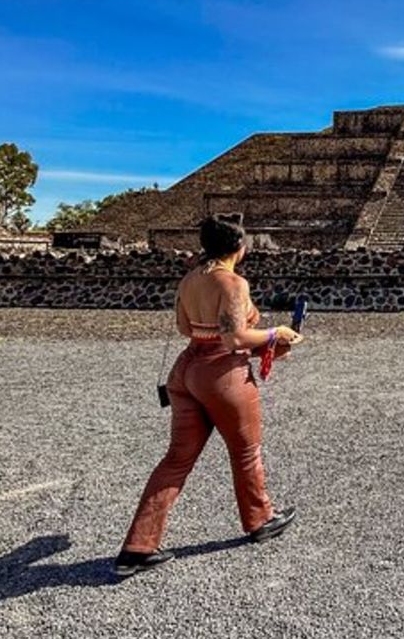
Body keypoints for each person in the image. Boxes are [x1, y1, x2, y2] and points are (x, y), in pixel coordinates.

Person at [114, 215, 302, 577]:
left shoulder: (190, 279)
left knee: (176, 460)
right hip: (222, 374)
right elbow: (234, 339)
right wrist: (275, 334)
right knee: (246, 451)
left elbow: (185, 327)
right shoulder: (233, 283)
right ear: (239, 248)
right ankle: (260, 519)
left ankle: (137, 548)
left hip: (186, 370)